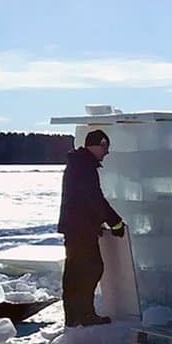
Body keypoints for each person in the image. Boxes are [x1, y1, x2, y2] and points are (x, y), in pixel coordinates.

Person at [56, 129, 125, 327]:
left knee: (75, 270)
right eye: (106, 147)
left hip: (76, 226)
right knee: (91, 268)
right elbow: (94, 199)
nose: (107, 152)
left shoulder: (78, 164)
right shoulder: (84, 167)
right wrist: (115, 222)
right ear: (98, 144)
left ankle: (74, 316)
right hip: (81, 228)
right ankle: (85, 314)